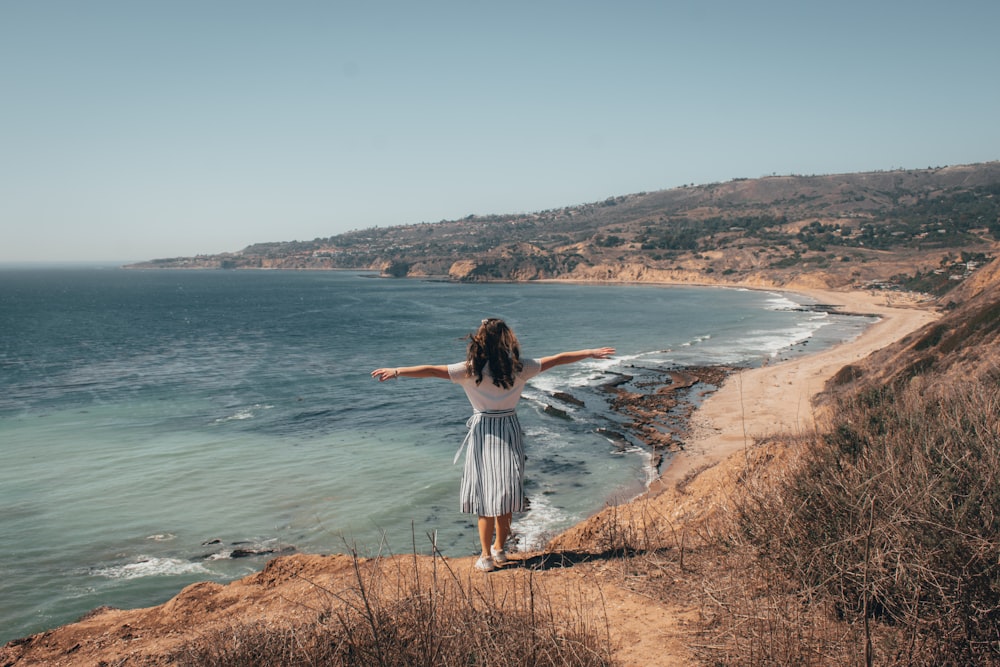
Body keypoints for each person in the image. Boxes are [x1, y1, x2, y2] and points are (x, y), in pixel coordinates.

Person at [371, 317, 615, 572]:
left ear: (479, 342)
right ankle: (500, 550)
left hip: (483, 432)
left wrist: (398, 370)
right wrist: (590, 352)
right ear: (506, 341)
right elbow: (558, 358)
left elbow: (431, 370)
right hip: (509, 429)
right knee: (505, 495)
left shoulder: (469, 370)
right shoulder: (520, 368)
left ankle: (486, 556)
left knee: (484, 497)